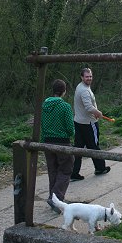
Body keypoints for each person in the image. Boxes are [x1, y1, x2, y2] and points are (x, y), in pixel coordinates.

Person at [41, 79, 75, 213]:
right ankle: (56, 198)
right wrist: (70, 133)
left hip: (47, 142)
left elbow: (42, 124)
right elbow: (70, 128)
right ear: (64, 91)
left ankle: (52, 197)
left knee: (53, 170)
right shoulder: (65, 106)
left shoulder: (44, 105)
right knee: (66, 170)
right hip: (62, 142)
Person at [71, 67, 110, 180]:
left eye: (91, 76)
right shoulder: (84, 90)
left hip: (78, 121)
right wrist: (98, 113)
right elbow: (88, 107)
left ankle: (74, 173)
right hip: (89, 123)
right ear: (82, 77)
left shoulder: (81, 86)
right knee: (93, 146)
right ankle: (100, 168)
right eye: (87, 76)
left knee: (78, 148)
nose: (89, 78)